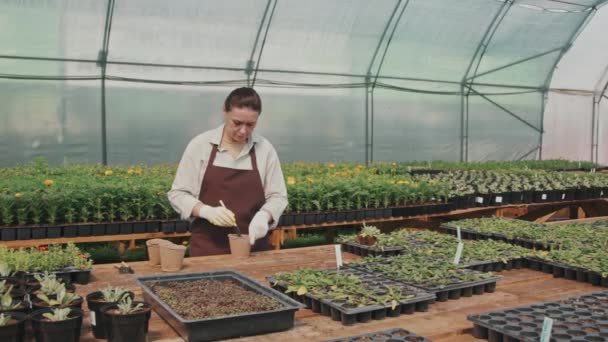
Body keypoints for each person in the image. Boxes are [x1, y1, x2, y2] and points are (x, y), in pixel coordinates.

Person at [167, 87, 288, 257]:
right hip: (208, 250)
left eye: (250, 124)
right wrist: (205, 211)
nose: (243, 131)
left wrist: (265, 215)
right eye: (237, 123)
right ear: (224, 112)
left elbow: (278, 196)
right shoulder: (201, 145)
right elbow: (178, 194)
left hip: (253, 251)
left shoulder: (264, 149)